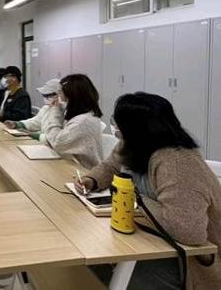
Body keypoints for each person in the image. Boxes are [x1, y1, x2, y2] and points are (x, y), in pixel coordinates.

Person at [77, 93, 221, 290]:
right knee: (92, 252)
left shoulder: (177, 162)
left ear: (137, 128)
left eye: (119, 123)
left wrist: (135, 198)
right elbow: (111, 167)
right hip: (155, 236)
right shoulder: (134, 146)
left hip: (191, 261)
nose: (116, 128)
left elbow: (188, 231)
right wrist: (91, 180)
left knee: (119, 270)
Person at [41, 74, 103, 168]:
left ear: (72, 97)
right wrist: (57, 108)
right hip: (73, 165)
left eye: (61, 94)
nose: (59, 99)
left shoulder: (82, 121)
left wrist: (55, 110)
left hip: (84, 171)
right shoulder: (83, 114)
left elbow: (57, 142)